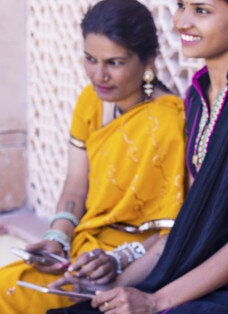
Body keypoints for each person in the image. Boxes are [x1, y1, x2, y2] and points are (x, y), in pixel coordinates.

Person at [48, 0, 228, 313]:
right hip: (189, 267)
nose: (182, 21)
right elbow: (188, 223)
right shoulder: (198, 94)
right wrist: (114, 285)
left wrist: (158, 300)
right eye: (181, 6)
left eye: (201, 10)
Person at [0, 0, 187, 312]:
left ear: (148, 61)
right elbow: (75, 187)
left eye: (114, 63)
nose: (99, 75)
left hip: (140, 266)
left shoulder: (169, 121)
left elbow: (174, 230)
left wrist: (117, 260)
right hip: (82, 252)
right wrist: (56, 241)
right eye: (90, 59)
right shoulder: (90, 101)